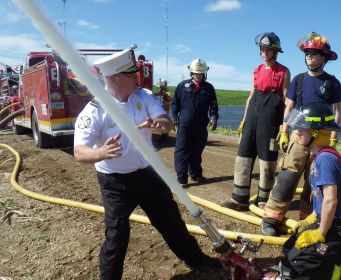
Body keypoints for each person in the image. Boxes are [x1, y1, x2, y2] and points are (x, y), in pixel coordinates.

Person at [73, 48, 220, 279]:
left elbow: (165, 120)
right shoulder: (94, 110)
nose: (136, 78)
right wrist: (101, 152)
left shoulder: (143, 96)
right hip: (115, 182)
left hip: (147, 174)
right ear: (113, 79)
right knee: (117, 234)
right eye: (131, 75)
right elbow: (80, 152)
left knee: (171, 220)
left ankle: (196, 259)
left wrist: (161, 124)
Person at [261, 32, 341, 236]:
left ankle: (309, 221)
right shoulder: (298, 80)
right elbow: (289, 107)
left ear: (324, 58)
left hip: (323, 137)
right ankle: (272, 217)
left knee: (315, 181)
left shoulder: (332, 83)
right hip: (299, 134)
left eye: (314, 54)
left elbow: (336, 111)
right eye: (307, 53)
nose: (309, 57)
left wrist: (333, 139)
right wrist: (284, 131)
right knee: (288, 175)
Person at [264, 102, 341, 280]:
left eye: (303, 128)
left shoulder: (325, 160)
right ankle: (336, 259)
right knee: (290, 248)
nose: (297, 131)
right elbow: (321, 200)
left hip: (340, 231)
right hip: (330, 223)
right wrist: (311, 219)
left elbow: (331, 201)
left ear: (317, 131)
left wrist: (320, 232)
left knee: (298, 267)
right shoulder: (320, 157)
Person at [221, 32, 290, 210]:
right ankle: (239, 197)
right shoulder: (257, 69)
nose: (264, 52)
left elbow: (287, 102)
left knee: (267, 160)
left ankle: (264, 200)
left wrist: (284, 129)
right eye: (262, 48)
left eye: (268, 49)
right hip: (252, 119)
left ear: (275, 51)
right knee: (243, 156)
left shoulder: (283, 71)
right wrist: (244, 121)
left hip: (271, 123)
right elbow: (251, 96)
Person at [171, 58, 219, 185]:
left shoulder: (208, 88)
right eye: (196, 73)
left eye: (201, 73)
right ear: (191, 73)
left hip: (201, 124)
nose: (198, 75)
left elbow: (213, 105)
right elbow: (175, 103)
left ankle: (196, 174)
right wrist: (174, 117)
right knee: (182, 150)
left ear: (204, 73)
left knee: (197, 150)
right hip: (185, 124)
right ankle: (181, 176)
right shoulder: (182, 86)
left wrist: (214, 117)